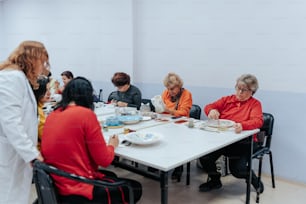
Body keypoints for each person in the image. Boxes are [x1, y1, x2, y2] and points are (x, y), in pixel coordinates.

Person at [41, 76, 142, 203]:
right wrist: (112, 145)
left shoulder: (53, 114)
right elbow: (104, 160)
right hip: (76, 189)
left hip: (56, 183)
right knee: (135, 188)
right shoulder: (85, 114)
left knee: (111, 176)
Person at [198, 74, 264, 193]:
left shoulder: (255, 104)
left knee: (238, 170)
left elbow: (258, 121)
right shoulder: (227, 99)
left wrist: (243, 125)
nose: (239, 92)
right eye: (237, 88)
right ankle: (215, 181)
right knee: (205, 158)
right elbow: (209, 106)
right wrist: (211, 110)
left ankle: (254, 180)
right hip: (223, 140)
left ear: (252, 91)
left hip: (244, 142)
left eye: (243, 90)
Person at [0, 40, 47, 203]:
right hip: (10, 152)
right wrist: (32, 154)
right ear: (32, 60)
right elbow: (11, 121)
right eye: (42, 62)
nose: (42, 67)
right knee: (9, 196)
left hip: (16, 151)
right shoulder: (11, 77)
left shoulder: (17, 77)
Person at [162, 72, 193, 182]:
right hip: (166, 123)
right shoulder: (166, 93)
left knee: (176, 143)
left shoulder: (186, 94)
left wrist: (168, 110)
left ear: (179, 86)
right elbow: (162, 108)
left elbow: (184, 112)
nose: (170, 91)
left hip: (181, 124)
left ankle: (178, 169)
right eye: (168, 88)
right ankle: (158, 166)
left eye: (172, 89)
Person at [33, 75, 51, 150]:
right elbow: (45, 136)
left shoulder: (37, 107)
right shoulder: (37, 111)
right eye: (46, 90)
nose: (49, 93)